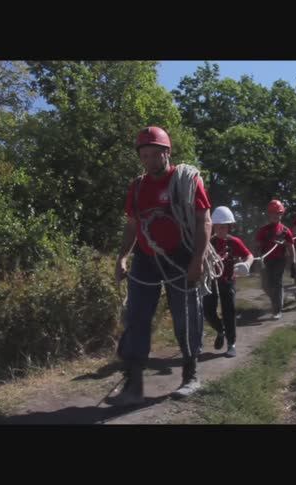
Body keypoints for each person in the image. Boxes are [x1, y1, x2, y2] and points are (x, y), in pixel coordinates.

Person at [114, 126, 212, 405]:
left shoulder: (187, 180)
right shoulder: (137, 187)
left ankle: (191, 375)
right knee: (136, 317)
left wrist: (198, 259)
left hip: (181, 257)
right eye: (144, 155)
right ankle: (134, 383)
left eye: (154, 154)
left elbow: (203, 220)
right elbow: (132, 226)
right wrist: (122, 256)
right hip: (146, 260)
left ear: (166, 152)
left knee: (186, 316)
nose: (148, 160)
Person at [203, 206, 254, 358]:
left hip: (228, 281)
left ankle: (231, 344)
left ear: (229, 226)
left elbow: (249, 255)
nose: (221, 229)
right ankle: (220, 330)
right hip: (210, 281)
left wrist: (246, 265)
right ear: (213, 226)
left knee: (229, 312)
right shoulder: (207, 243)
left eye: (224, 226)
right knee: (208, 312)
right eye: (218, 226)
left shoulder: (234, 242)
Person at [255, 200, 296, 320]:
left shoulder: (285, 231)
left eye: (277, 213)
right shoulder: (263, 230)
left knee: (277, 283)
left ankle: (277, 309)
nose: (275, 215)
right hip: (266, 260)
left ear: (281, 214)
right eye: (272, 213)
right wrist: (257, 258)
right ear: (269, 214)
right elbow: (257, 245)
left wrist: (293, 262)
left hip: (279, 260)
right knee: (266, 285)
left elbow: (291, 246)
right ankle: (278, 299)